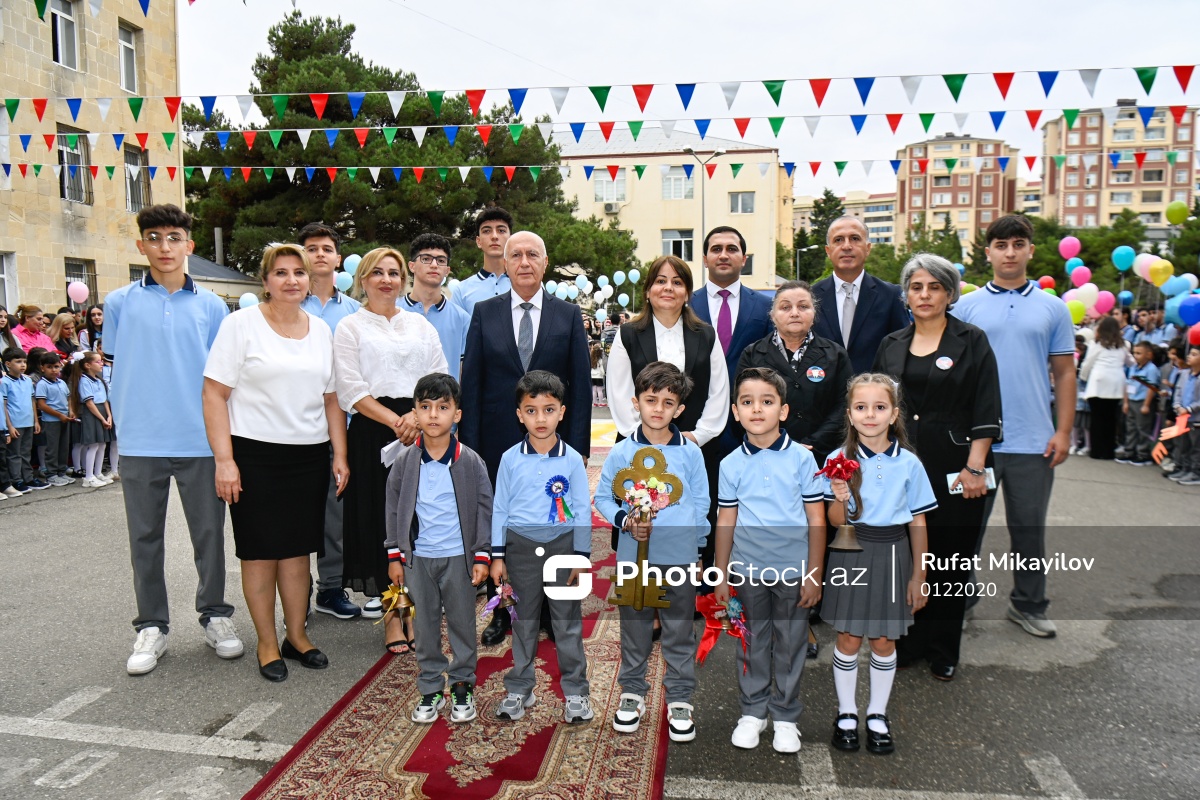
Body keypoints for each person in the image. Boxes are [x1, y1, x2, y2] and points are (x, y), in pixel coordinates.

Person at [104, 203, 243, 676]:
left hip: (200, 441)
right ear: (141, 245)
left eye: (174, 238)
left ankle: (215, 615)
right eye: (155, 238)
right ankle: (151, 625)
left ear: (189, 245)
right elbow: (116, 365)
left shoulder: (212, 306)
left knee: (209, 536)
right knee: (144, 538)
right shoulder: (119, 303)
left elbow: (221, 380)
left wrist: (225, 447)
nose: (164, 247)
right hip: (140, 441)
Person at [202, 243, 348, 682]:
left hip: (308, 456)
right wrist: (224, 461)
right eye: (280, 272)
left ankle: (296, 636)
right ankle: (267, 642)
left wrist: (340, 454)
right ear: (265, 281)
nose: (291, 280)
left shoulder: (320, 330)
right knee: (260, 554)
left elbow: (331, 398)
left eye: (298, 272)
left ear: (310, 279)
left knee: (298, 553)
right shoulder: (240, 325)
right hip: (254, 456)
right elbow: (214, 394)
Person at [872, 254, 1002, 681]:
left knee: (951, 558)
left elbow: (987, 404)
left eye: (934, 287)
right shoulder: (891, 343)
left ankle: (944, 648)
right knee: (907, 556)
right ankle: (909, 642)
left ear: (949, 293)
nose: (924, 295)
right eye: (916, 287)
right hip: (902, 466)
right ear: (906, 295)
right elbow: (876, 406)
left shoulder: (972, 340)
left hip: (957, 467)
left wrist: (976, 467)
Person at [459, 230, 592, 646]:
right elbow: (473, 382)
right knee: (502, 523)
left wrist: (578, 448)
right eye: (515, 255)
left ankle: (550, 609)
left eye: (533, 254)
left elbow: (581, 386)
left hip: (553, 443)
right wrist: (471, 449)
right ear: (504, 263)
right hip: (496, 440)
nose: (524, 262)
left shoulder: (567, 314)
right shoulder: (484, 312)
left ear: (545, 263)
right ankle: (501, 609)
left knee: (552, 522)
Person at [953, 214, 1075, 638]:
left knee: (1029, 532)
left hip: (1033, 443)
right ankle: (960, 603)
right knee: (965, 532)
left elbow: (1064, 373)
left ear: (1030, 251)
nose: (1009, 253)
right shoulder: (965, 307)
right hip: (976, 445)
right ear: (987, 252)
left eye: (1018, 244)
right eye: (1001, 245)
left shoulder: (1053, 307)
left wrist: (1063, 431)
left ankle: (1028, 604)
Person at [335, 246, 448, 653]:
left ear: (404, 279)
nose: (387, 280)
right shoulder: (349, 327)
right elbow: (350, 388)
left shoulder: (420, 325)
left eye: (394, 273)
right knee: (381, 526)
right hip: (373, 433)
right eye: (377, 273)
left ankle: (414, 609)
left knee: (418, 523)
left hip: (423, 429)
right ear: (362, 279)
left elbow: (440, 376)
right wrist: (396, 422)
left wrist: (417, 417)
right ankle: (392, 615)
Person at [594, 362, 709, 743]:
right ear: (636, 402)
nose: (658, 409)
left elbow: (701, 503)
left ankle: (680, 697)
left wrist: (698, 550)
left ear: (680, 409)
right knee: (635, 628)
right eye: (650, 400)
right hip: (634, 558)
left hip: (679, 556)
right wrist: (625, 520)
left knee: (679, 629)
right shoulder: (622, 451)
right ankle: (632, 692)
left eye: (668, 402)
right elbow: (602, 497)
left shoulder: (690, 454)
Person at [713, 367, 827, 753]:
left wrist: (814, 574)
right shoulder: (730, 464)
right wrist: (721, 573)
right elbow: (726, 520)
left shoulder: (803, 460)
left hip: (794, 571)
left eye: (767, 401)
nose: (757, 409)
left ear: (783, 410)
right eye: (747, 402)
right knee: (751, 640)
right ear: (735, 411)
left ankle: (786, 715)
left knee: (792, 642)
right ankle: (753, 711)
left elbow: (817, 519)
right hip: (747, 572)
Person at [823, 374, 935, 755]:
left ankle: (877, 714)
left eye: (879, 407)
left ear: (894, 414)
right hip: (851, 551)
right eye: (861, 407)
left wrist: (919, 575)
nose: (870, 414)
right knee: (848, 637)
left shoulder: (910, 464)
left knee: (884, 640)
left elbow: (918, 522)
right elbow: (835, 520)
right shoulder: (838, 460)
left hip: (893, 553)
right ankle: (846, 713)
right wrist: (840, 495)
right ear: (850, 414)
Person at [384, 373, 492, 724]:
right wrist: (395, 555)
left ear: (456, 414)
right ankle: (430, 686)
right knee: (425, 627)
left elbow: (485, 509)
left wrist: (482, 554)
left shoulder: (470, 461)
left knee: (462, 623)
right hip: (418, 560)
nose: (433, 415)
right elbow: (393, 508)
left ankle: (462, 684)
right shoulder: (405, 462)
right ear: (414, 413)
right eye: (425, 407)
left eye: (443, 407)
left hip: (459, 558)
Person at [489, 371, 593, 724]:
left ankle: (576, 692)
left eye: (549, 410)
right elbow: (500, 508)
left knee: (566, 622)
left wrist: (581, 556)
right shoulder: (509, 459)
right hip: (520, 549)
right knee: (524, 621)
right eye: (531, 411)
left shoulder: (572, 459)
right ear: (519, 414)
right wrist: (498, 555)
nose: (540, 418)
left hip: (562, 547)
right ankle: (520, 687)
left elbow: (582, 509)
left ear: (561, 412)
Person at [688, 227, 772, 568]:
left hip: (747, 425)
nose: (724, 254)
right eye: (716, 248)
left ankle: (743, 577)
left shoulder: (764, 307)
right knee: (701, 503)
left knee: (747, 504)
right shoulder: (685, 303)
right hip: (696, 424)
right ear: (705, 258)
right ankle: (703, 577)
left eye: (732, 248)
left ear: (743, 258)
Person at [297, 222, 364, 622]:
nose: (319, 254)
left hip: (344, 427)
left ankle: (331, 588)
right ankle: (296, 595)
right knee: (294, 515)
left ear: (338, 258)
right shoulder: (289, 303)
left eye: (326, 248)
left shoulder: (354, 311)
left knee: (334, 516)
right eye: (311, 248)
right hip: (294, 427)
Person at [607, 255, 729, 449]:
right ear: (648, 291)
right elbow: (619, 393)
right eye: (661, 281)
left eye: (677, 282)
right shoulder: (627, 335)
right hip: (638, 447)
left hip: (695, 446)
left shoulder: (706, 335)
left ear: (687, 294)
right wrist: (645, 437)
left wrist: (698, 436)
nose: (668, 287)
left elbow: (719, 392)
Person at [737, 280, 852, 468]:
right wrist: (778, 443)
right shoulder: (752, 355)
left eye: (803, 306)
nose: (795, 313)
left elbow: (844, 405)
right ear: (773, 315)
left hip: (822, 457)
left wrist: (813, 443)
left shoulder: (835, 355)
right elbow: (743, 404)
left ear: (814, 314)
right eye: (785, 307)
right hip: (767, 454)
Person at [811, 217, 910, 375]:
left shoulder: (891, 296)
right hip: (823, 388)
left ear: (868, 248)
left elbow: (901, 350)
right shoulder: (811, 297)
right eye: (838, 240)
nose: (846, 246)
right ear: (828, 251)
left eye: (855, 238)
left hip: (874, 387)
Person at [400, 233, 471, 379]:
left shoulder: (462, 318)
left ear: (447, 270)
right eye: (426, 259)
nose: (434, 265)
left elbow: (466, 371)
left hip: (447, 393)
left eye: (441, 260)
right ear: (412, 266)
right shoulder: (393, 310)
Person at [1078, 317, 1133, 462]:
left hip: (1098, 382)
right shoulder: (1124, 344)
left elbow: (1088, 363)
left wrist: (1083, 377)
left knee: (1097, 417)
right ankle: (1109, 451)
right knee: (1111, 418)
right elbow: (1130, 362)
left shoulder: (1096, 344)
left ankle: (1096, 451)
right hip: (1116, 382)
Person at [450, 207, 513, 315]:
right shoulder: (462, 291)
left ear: (511, 239)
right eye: (487, 231)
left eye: (501, 230)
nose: (494, 236)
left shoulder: (527, 285)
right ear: (478, 241)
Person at [73, 350, 114, 487]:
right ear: (87, 365)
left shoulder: (98, 379)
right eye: (98, 361)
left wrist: (109, 415)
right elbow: (90, 403)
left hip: (102, 412)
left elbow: (105, 400)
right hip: (93, 414)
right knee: (94, 445)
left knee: (102, 444)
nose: (101, 363)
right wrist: (102, 418)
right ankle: (88, 477)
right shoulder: (84, 381)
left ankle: (98, 473)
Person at [1116, 340, 1161, 466]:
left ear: (1149, 355)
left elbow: (1151, 388)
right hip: (1132, 400)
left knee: (1142, 428)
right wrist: (1126, 402)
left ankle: (1143, 453)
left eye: (1139, 353)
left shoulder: (1151, 369)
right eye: (1134, 353)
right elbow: (1127, 385)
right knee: (1131, 427)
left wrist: (1146, 404)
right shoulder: (1133, 368)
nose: (1136, 356)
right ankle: (1129, 451)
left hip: (1142, 402)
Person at [3, 347, 41, 492]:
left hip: (28, 421)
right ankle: (16, 480)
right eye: (18, 362)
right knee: (14, 454)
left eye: (24, 361)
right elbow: (4, 405)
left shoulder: (27, 380)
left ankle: (28, 478)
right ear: (8, 364)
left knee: (26, 452)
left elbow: (32, 401)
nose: (23, 365)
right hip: (15, 423)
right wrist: (9, 426)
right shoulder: (4, 382)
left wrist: (35, 421)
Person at [34, 352, 76, 486]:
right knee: (52, 448)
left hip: (64, 419)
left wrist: (71, 411)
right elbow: (41, 405)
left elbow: (69, 398)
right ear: (42, 368)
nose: (53, 370)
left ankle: (61, 472)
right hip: (51, 421)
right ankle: (51, 474)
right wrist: (59, 415)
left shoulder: (62, 382)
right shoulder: (42, 384)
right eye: (49, 367)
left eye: (56, 367)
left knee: (63, 447)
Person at [1166, 346, 1200, 485]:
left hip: (1196, 418)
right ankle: (1185, 468)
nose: (1189, 356)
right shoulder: (1184, 374)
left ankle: (1195, 472)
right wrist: (1177, 406)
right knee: (1184, 444)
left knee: (1196, 446)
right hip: (1182, 416)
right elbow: (1178, 392)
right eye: (1190, 353)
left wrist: (1189, 409)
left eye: (1194, 354)